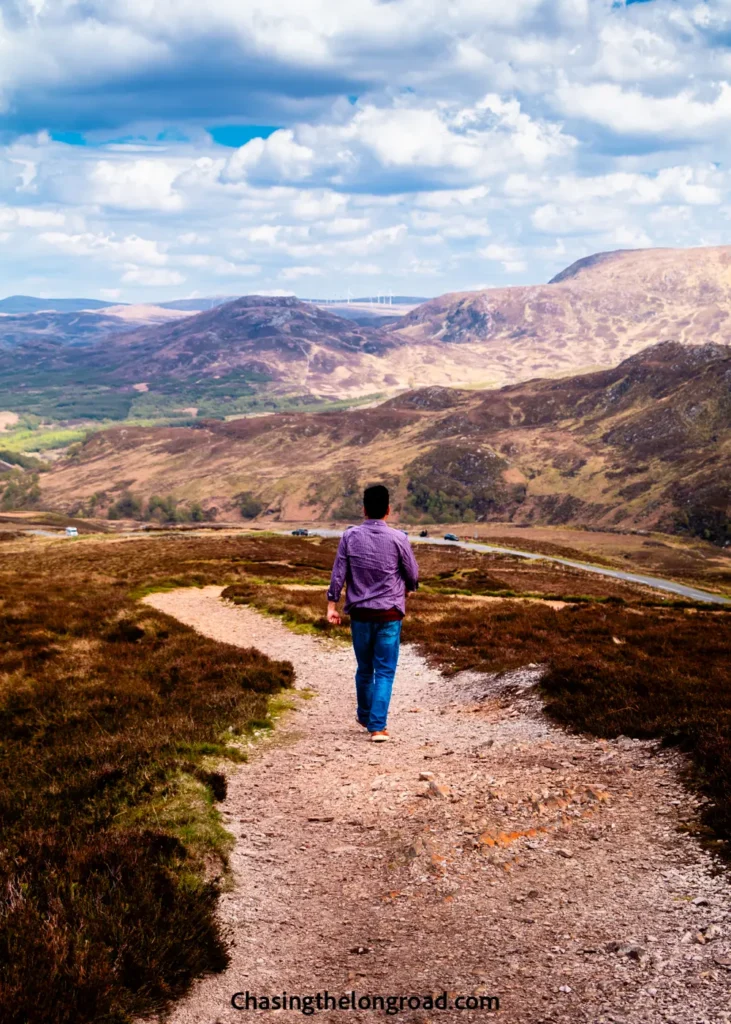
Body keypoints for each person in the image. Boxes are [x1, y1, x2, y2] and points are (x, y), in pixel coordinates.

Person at [326, 484, 419, 742]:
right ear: (388, 509)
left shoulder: (349, 536)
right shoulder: (399, 538)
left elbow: (338, 574)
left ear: (364, 510)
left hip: (360, 615)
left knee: (365, 668)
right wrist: (408, 590)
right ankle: (377, 726)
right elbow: (412, 574)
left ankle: (366, 716)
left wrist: (332, 606)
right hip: (389, 614)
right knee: (385, 671)